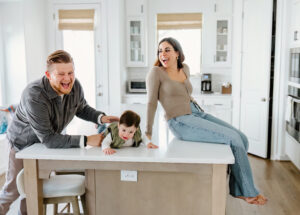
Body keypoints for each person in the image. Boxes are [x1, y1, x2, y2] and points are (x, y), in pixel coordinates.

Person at [145, 37, 267, 205]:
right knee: (233, 139)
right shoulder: (156, 72)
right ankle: (248, 192)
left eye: (167, 50)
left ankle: (238, 189)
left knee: (242, 138)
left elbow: (185, 93)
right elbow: (151, 102)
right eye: (160, 51)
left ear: (177, 53)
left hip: (197, 113)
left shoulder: (185, 69)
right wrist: (148, 134)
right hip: (180, 121)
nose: (162, 54)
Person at [0, 50, 119, 215]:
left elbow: (81, 108)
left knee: (33, 190)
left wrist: (100, 118)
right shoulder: (34, 94)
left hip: (45, 146)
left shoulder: (74, 86)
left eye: (70, 72)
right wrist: (86, 140)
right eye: (61, 74)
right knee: (13, 191)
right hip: (21, 145)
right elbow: (48, 138)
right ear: (48, 75)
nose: (67, 78)